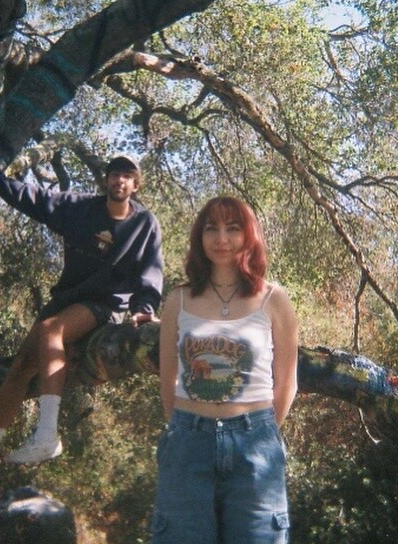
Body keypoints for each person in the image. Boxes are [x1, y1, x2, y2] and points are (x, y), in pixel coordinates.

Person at [0, 144, 163, 492]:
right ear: (106, 180)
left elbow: (151, 273)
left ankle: (48, 434)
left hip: (105, 305)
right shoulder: (81, 208)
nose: (120, 180)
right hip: (67, 299)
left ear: (135, 185)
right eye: (115, 174)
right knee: (20, 367)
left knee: (51, 330)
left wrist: (145, 309)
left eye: (128, 176)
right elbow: (36, 199)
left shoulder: (144, 223)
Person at [151, 196, 298, 544]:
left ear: (249, 236)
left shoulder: (274, 299)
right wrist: (186, 427)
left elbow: (287, 383)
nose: (221, 239)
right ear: (199, 237)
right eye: (211, 229)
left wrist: (259, 431)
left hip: (256, 446)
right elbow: (168, 380)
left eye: (233, 229)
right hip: (187, 444)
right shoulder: (178, 300)